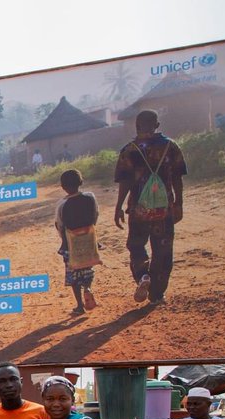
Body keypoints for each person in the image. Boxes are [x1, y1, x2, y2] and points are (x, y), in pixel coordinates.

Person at [114, 109, 188, 306]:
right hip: (164, 210)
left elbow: (125, 182)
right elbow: (177, 179)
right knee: (162, 250)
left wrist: (119, 207)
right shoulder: (170, 147)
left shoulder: (129, 150)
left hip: (139, 210)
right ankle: (157, 295)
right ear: (157, 126)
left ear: (137, 126)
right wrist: (178, 203)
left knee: (136, 245)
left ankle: (142, 276)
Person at [55, 169, 100, 316]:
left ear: (62, 186)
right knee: (87, 268)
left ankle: (80, 305)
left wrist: (64, 242)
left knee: (73, 273)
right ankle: (87, 287)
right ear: (81, 182)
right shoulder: (90, 197)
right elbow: (95, 215)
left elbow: (60, 225)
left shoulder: (62, 204)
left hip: (71, 242)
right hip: (88, 239)